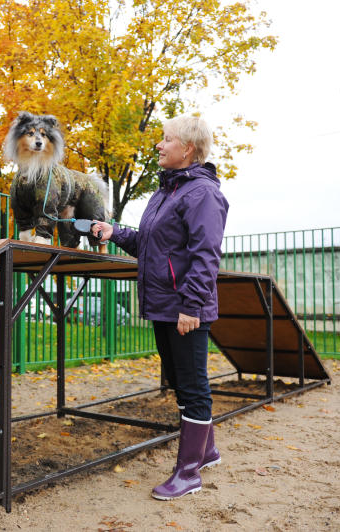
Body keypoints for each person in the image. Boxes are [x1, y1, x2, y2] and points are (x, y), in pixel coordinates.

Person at [91, 114, 228, 500]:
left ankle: (188, 474)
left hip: (184, 307)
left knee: (193, 386)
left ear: (187, 148)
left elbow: (205, 256)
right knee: (181, 381)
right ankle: (209, 451)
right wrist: (114, 231)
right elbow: (150, 246)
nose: (158, 145)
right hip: (164, 304)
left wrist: (191, 305)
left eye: (166, 139)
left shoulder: (203, 194)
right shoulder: (165, 193)